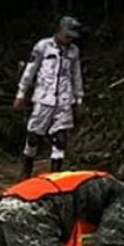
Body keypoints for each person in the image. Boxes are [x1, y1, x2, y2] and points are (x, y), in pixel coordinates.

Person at [13, 17, 84, 179]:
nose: (69, 39)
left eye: (72, 37)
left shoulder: (73, 51)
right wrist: (21, 94)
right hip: (44, 98)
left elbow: (76, 76)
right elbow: (30, 71)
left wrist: (79, 100)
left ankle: (55, 176)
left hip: (64, 99)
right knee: (34, 135)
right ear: (59, 31)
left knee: (60, 138)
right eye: (67, 35)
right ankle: (26, 169)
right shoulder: (43, 47)